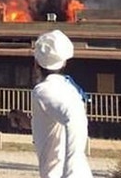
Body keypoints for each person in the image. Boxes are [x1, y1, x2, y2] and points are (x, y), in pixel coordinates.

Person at [31, 29, 93, 178]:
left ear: (36, 63)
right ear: (64, 62)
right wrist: (29, 122)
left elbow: (74, 118)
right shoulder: (67, 88)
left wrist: (72, 172)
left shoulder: (43, 90)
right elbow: (54, 124)